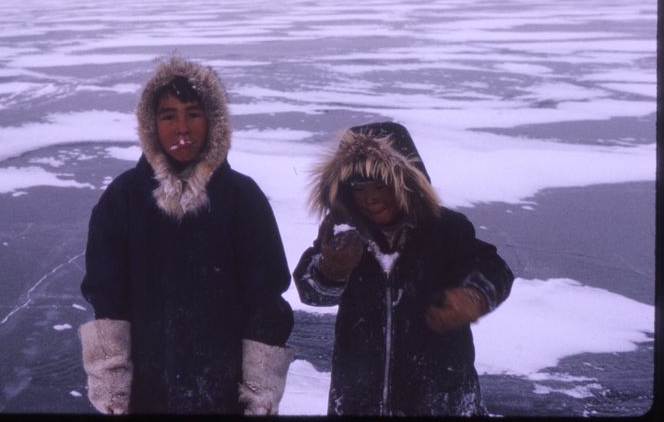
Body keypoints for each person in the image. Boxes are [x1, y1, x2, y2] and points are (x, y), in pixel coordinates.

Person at [78, 55, 294, 415]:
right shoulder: (124, 198)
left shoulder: (243, 198)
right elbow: (107, 296)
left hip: (224, 398)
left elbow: (266, 301)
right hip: (146, 399)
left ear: (213, 121)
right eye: (169, 116)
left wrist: (258, 392)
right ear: (151, 125)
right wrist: (113, 388)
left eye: (193, 113)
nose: (183, 128)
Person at [293, 121, 514, 416]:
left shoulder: (445, 228)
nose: (370, 198)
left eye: (380, 185)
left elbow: (495, 268)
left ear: (405, 183)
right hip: (358, 401)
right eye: (359, 188)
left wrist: (474, 297)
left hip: (441, 399)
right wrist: (331, 270)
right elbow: (311, 293)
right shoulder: (343, 231)